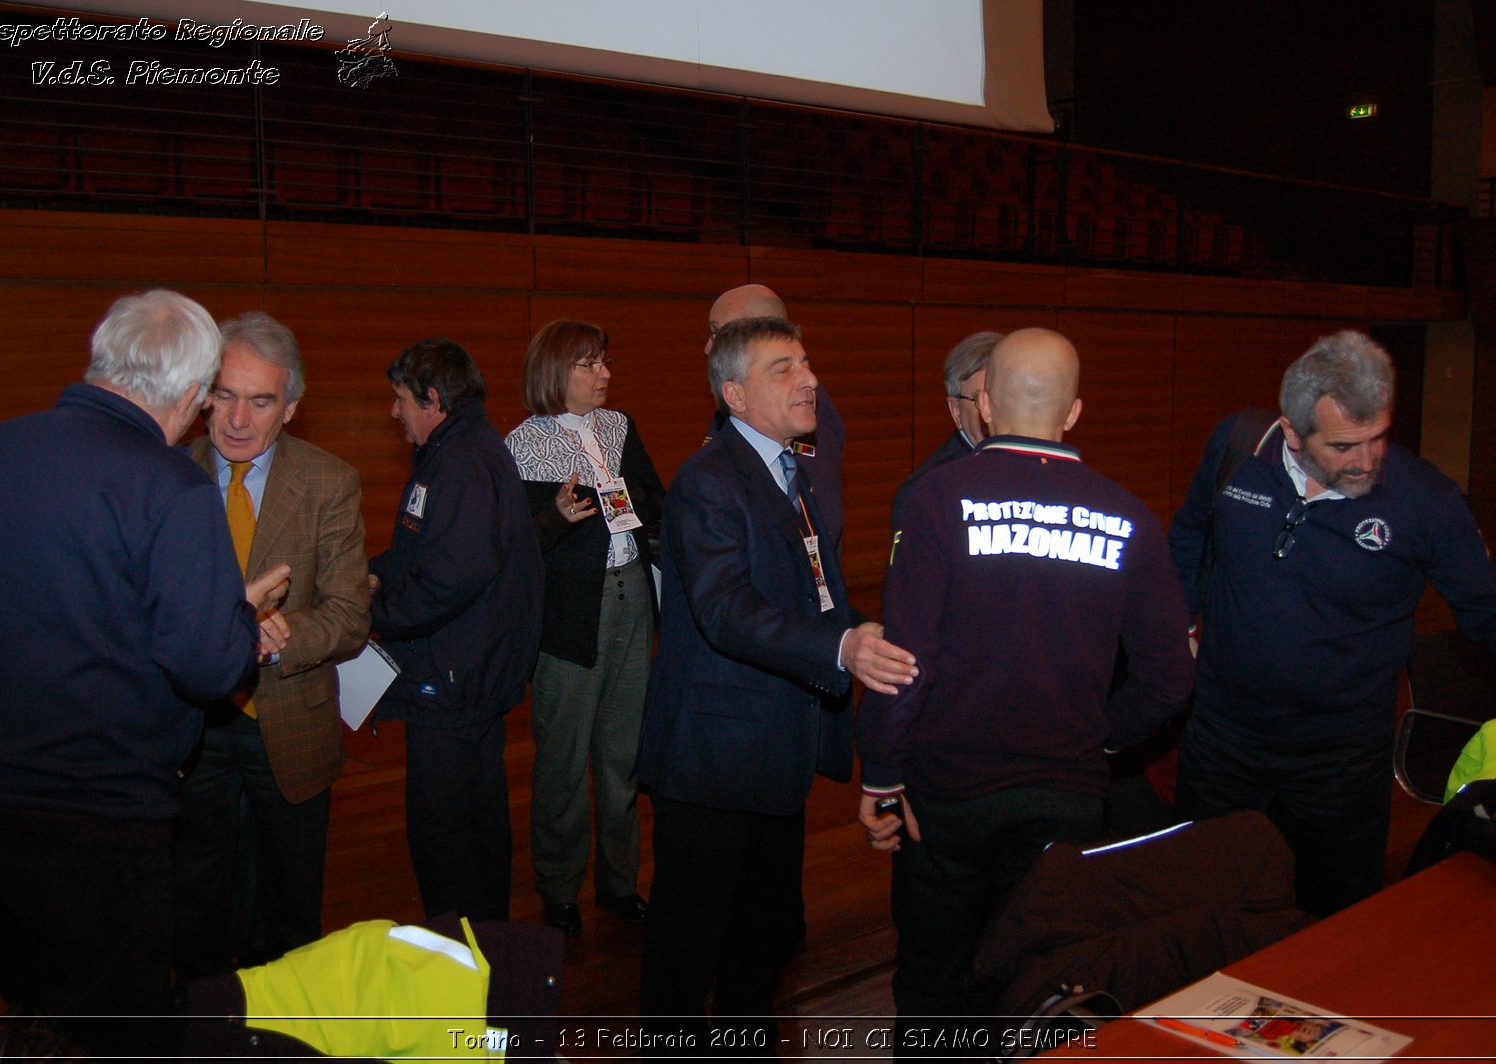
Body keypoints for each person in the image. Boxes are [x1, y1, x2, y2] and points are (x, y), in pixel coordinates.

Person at [0, 289, 288, 1056]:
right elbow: (210, 667)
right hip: (105, 815)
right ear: (189, 394)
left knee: (32, 1005)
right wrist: (238, 615)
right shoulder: (170, 486)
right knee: (120, 1026)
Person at [857, 327, 1194, 1043]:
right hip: (1066, 796)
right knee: (1042, 984)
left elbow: (901, 662)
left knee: (934, 982)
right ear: (1073, 412)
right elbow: (1168, 680)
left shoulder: (936, 499)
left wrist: (882, 772)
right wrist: (1097, 742)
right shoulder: (1129, 517)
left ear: (983, 405)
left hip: (944, 797)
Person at [1169, 330, 1496, 916]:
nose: (1368, 460)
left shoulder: (1426, 503)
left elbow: (1495, 614)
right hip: (1222, 743)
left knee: (1335, 919)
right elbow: (1190, 531)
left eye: (1378, 437)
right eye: (1346, 445)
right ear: (1293, 433)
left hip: (1339, 763)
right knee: (1204, 907)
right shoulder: (1238, 448)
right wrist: (1176, 629)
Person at [637, 316, 917, 1042]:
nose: (810, 379)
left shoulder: (797, 469)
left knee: (760, 945)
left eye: (807, 363)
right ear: (734, 394)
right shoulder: (706, 483)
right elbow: (728, 612)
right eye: (784, 368)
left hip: (774, 748)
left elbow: (814, 592)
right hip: (714, 756)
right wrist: (842, 647)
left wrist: (867, 629)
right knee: (685, 951)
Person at [175, 312, 371, 976]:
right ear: (202, 394)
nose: (236, 416)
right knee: (197, 904)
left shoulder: (329, 483)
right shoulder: (168, 475)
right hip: (192, 725)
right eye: (224, 394)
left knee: (289, 910)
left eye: (259, 400)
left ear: (289, 409)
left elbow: (349, 615)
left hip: (288, 722)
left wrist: (275, 637)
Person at [369, 338, 544, 921]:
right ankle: (484, 953)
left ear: (433, 399)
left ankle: (463, 971)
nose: (394, 412)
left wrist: (369, 615)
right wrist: (373, 576)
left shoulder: (462, 462)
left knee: (450, 842)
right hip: (464, 679)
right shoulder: (459, 450)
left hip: (451, 685)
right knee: (474, 829)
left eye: (400, 399)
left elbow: (450, 578)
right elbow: (424, 554)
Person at [506, 320, 665, 936]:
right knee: (564, 761)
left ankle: (620, 884)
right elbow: (513, 550)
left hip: (631, 602)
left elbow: (652, 499)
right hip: (571, 614)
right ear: (554, 373)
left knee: (623, 756)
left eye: (604, 362)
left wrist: (641, 508)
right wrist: (556, 518)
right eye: (589, 365)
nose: (604, 374)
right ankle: (559, 887)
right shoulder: (521, 445)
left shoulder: (618, 427)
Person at [704, 284, 846, 548]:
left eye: (716, 333)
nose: (708, 347)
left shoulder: (800, 410)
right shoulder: (742, 403)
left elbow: (817, 525)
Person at [889, 330, 1001, 530]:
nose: (992, 409)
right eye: (979, 398)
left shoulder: (1039, 470)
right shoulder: (926, 492)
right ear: (956, 410)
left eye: (1004, 395)